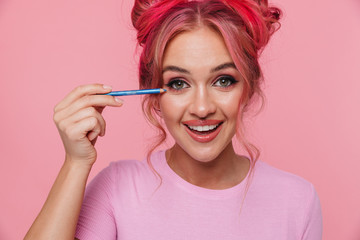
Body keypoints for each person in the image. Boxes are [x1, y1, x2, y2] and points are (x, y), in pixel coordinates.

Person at [25, 0, 322, 239]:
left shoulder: (298, 200)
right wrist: (76, 163)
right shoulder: (117, 188)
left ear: (250, 85)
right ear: (153, 94)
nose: (202, 108)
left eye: (223, 80)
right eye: (179, 83)